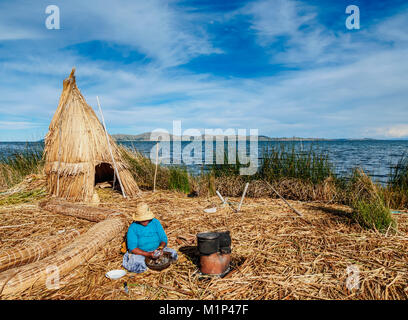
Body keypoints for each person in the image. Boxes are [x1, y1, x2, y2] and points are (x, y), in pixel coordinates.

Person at [122, 202, 178, 273]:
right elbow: (132, 248)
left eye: (147, 219)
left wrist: (160, 248)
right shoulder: (133, 227)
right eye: (143, 220)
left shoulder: (155, 222)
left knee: (173, 254)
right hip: (140, 254)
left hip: (156, 250)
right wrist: (148, 254)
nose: (145, 222)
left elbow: (163, 238)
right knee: (138, 265)